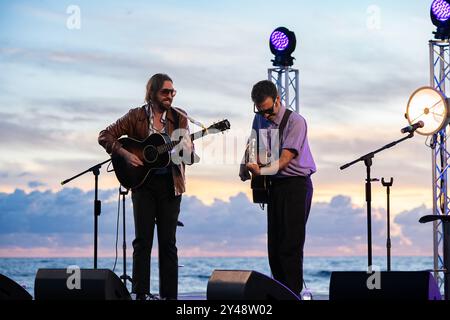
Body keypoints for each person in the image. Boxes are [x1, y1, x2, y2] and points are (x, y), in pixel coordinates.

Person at [98, 73, 197, 300]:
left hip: (171, 185)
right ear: (152, 92)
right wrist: (124, 154)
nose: (170, 96)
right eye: (165, 92)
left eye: (173, 92)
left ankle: (169, 296)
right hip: (141, 182)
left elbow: (188, 157)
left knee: (168, 243)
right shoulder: (135, 116)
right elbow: (105, 135)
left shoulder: (180, 117)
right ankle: (140, 294)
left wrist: (187, 149)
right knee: (142, 241)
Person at [239, 80, 316, 297]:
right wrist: (244, 164)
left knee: (290, 245)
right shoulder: (260, 117)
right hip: (274, 186)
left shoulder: (296, 122)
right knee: (274, 246)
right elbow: (252, 143)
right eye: (260, 111)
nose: (265, 116)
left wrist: (260, 172)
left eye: (268, 111)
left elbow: (285, 159)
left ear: (278, 100)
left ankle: (292, 294)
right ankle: (279, 293)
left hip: (295, 184)